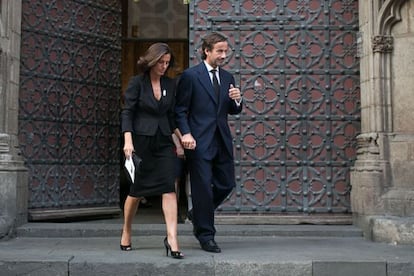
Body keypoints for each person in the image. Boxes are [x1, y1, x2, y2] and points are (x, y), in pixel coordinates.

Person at [175, 32, 243, 253]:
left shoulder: (228, 77)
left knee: (227, 184)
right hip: (199, 141)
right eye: (220, 51)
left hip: (221, 139)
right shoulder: (190, 76)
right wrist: (185, 134)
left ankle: (198, 214)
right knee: (202, 188)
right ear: (206, 51)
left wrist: (237, 99)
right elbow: (180, 110)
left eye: (226, 51)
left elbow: (233, 110)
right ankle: (206, 236)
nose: (224, 55)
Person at [120, 42, 184, 259]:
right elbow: (127, 112)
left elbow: (171, 116)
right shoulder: (137, 83)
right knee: (136, 192)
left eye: (167, 63)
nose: (164, 67)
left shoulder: (170, 84)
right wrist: (128, 141)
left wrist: (180, 137)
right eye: (160, 63)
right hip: (141, 142)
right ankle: (127, 230)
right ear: (151, 61)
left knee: (169, 188)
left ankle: (172, 238)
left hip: (164, 142)